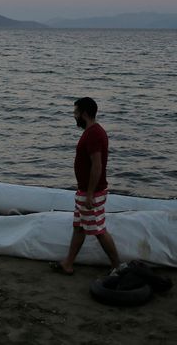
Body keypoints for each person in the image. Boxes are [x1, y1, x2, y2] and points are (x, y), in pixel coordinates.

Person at [51, 96, 121, 275]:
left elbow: (97, 165)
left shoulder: (94, 134)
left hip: (92, 193)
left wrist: (90, 194)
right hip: (85, 190)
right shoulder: (91, 132)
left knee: (99, 230)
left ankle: (117, 266)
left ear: (84, 113)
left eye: (76, 112)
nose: (74, 116)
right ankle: (68, 264)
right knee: (79, 227)